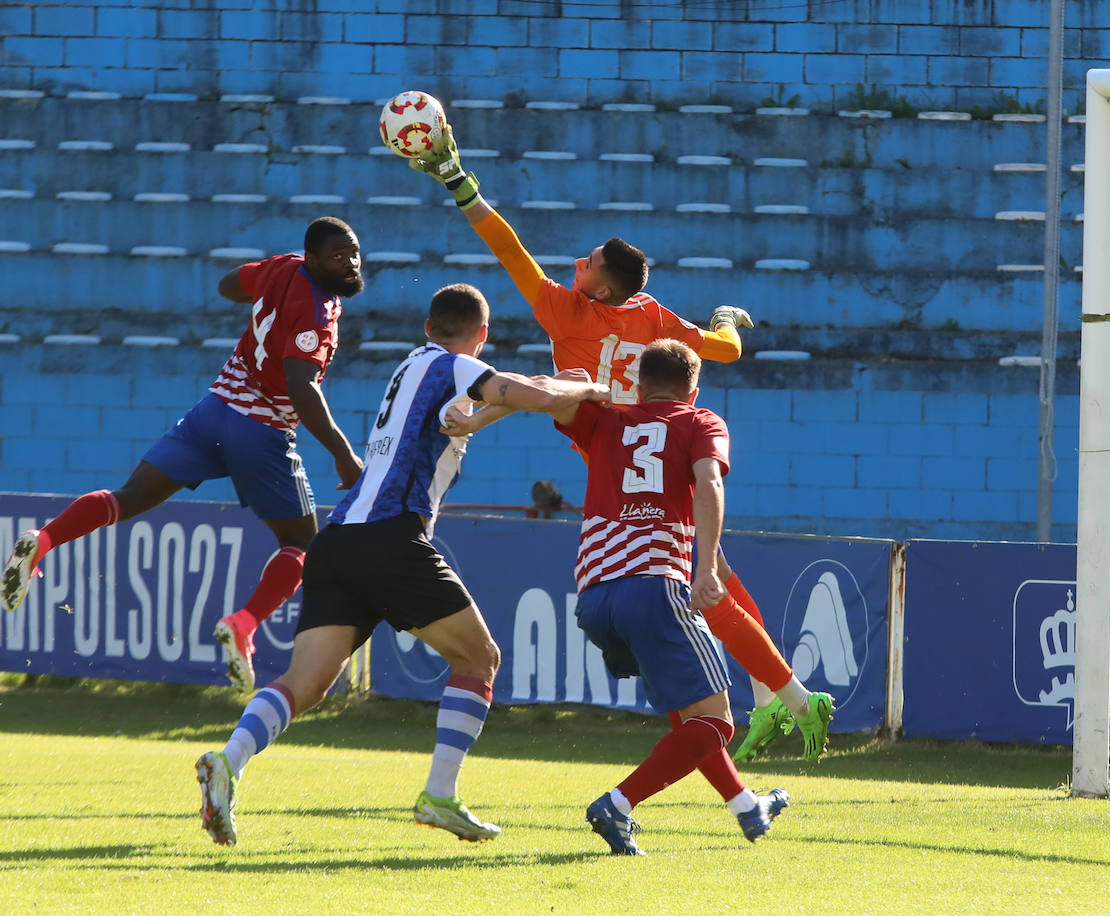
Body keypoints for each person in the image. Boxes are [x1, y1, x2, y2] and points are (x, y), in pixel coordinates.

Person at [409, 128, 832, 763]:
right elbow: (723, 351)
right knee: (713, 574)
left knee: (699, 582)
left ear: (600, 289)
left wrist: (458, 182)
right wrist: (724, 319)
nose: (575, 265)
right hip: (668, 454)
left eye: (586, 264)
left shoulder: (565, 311)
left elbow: (509, 251)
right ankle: (774, 695)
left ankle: (796, 702)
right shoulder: (651, 314)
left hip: (618, 465)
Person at [194, 282, 613, 847]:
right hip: (392, 536)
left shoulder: (413, 366)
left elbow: (493, 402)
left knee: (306, 683)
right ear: (480, 337)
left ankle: (229, 760)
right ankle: (439, 794)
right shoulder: (455, 365)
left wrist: (533, 396)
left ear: (427, 326)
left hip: (338, 539)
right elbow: (517, 390)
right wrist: (587, 389)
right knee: (479, 658)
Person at [1, 217, 367, 693]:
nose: (350, 263)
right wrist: (343, 454)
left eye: (354, 252)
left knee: (128, 497)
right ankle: (243, 624)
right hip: (261, 429)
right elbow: (301, 387)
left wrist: (267, 298)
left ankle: (43, 541)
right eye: (338, 256)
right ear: (315, 259)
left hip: (213, 410)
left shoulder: (283, 267)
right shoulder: (318, 312)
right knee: (302, 545)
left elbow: (228, 285)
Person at [546, 337, 787, 854]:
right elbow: (709, 484)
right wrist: (705, 568)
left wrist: (596, 389)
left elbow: (556, 387)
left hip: (594, 597)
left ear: (637, 381)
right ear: (693, 387)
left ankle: (747, 806)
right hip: (656, 585)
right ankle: (617, 804)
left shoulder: (605, 419)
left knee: (688, 713)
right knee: (717, 722)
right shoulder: (701, 423)